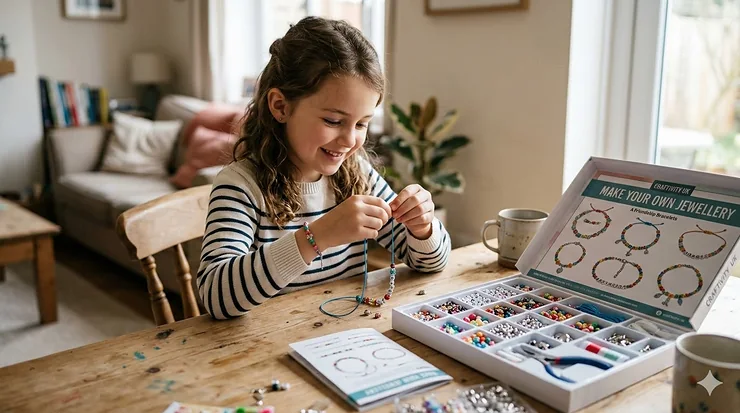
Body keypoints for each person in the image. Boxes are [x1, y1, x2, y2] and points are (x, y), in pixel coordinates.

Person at [198, 16, 451, 319]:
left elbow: (429, 263)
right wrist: (316, 237)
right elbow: (216, 297)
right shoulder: (241, 186)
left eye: (362, 124)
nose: (349, 140)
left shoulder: (358, 175)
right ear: (280, 106)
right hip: (262, 350)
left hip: (343, 341)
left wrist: (422, 228)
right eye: (333, 121)